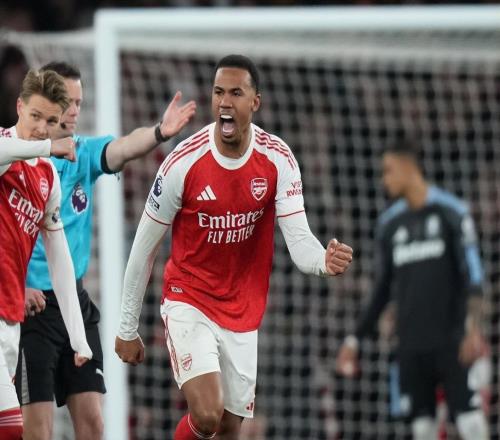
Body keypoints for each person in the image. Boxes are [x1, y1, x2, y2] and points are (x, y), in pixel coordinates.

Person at [115, 54, 354, 440]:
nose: (224, 102)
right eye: (218, 92)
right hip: (189, 298)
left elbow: (299, 241)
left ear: (255, 102)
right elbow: (144, 247)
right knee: (207, 413)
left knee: (228, 429)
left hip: (242, 309)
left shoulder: (277, 160)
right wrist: (127, 327)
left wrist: (322, 261)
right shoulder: (183, 163)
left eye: (236, 93)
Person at [16, 61, 196, 440]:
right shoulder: (15, 159)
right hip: (30, 308)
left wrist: (160, 132)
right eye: (67, 101)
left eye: (79, 102)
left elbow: (123, 148)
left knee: (94, 422)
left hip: (74, 303)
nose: (75, 110)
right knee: (37, 430)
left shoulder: (83, 154)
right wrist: (17, 286)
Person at [336, 141, 489, 440]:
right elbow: (381, 290)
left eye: (388, 170)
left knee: (471, 422)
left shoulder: (452, 212)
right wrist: (354, 339)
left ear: (409, 167)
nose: (384, 180)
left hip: (453, 340)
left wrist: (473, 328)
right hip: (411, 345)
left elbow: (474, 276)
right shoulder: (389, 225)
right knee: (422, 428)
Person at [0, 68, 92, 440]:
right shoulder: (4, 148)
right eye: (35, 116)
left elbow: (59, 259)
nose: (41, 128)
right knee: (12, 428)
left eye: (51, 122)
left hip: (10, 319)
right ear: (19, 107)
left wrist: (78, 337)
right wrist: (48, 147)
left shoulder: (48, 178)